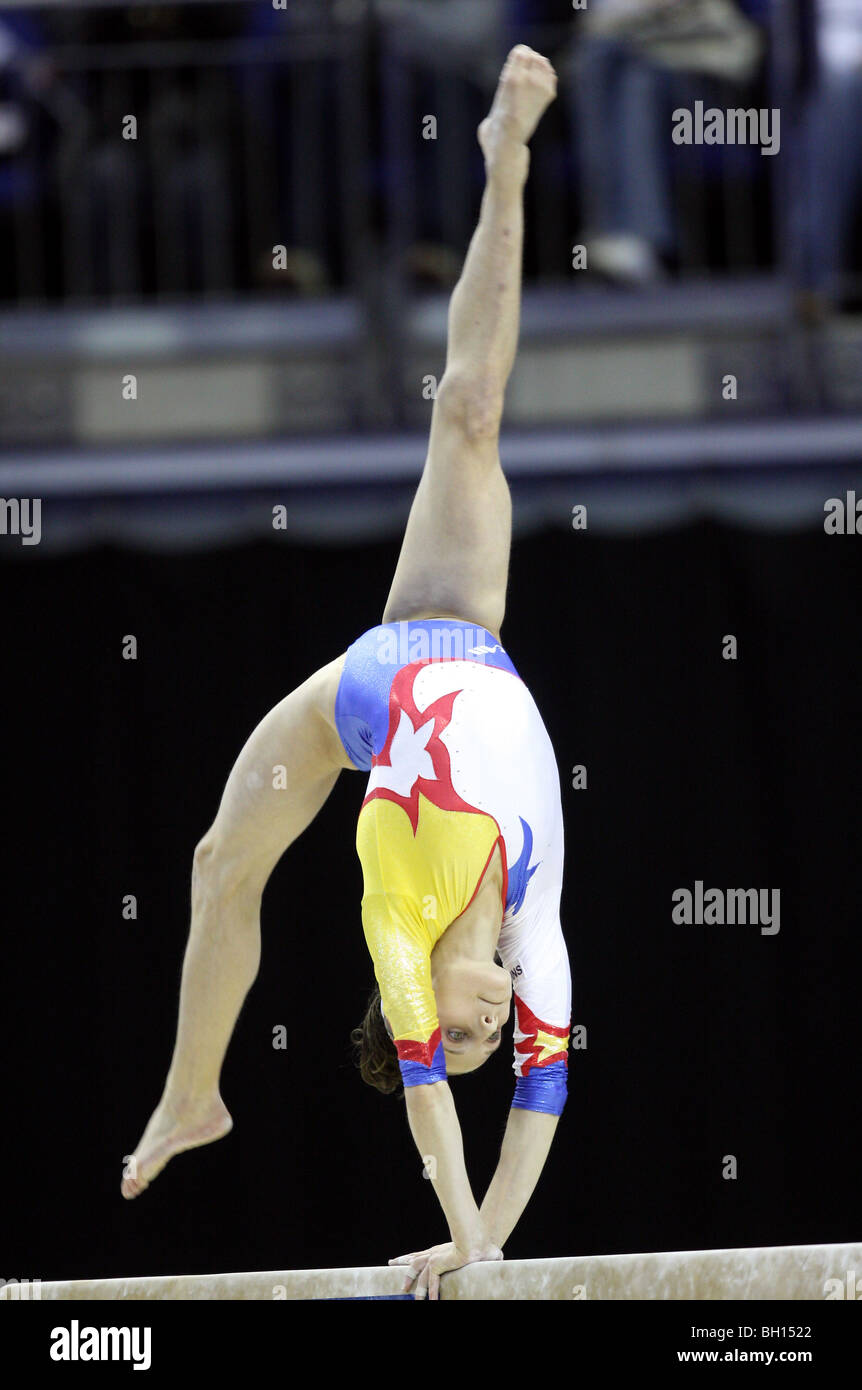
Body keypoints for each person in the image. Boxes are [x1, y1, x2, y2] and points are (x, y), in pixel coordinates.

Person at [121, 45, 571, 1303]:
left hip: (358, 697)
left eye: (461, 1031)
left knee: (221, 861)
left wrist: (459, 1229)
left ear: (426, 999)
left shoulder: (399, 928)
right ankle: (510, 164)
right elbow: (536, 1107)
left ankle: (190, 1092)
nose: (493, 1023)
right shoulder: (537, 930)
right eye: (497, 1034)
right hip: (461, 625)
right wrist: (489, 1250)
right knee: (473, 406)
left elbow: (437, 1108)